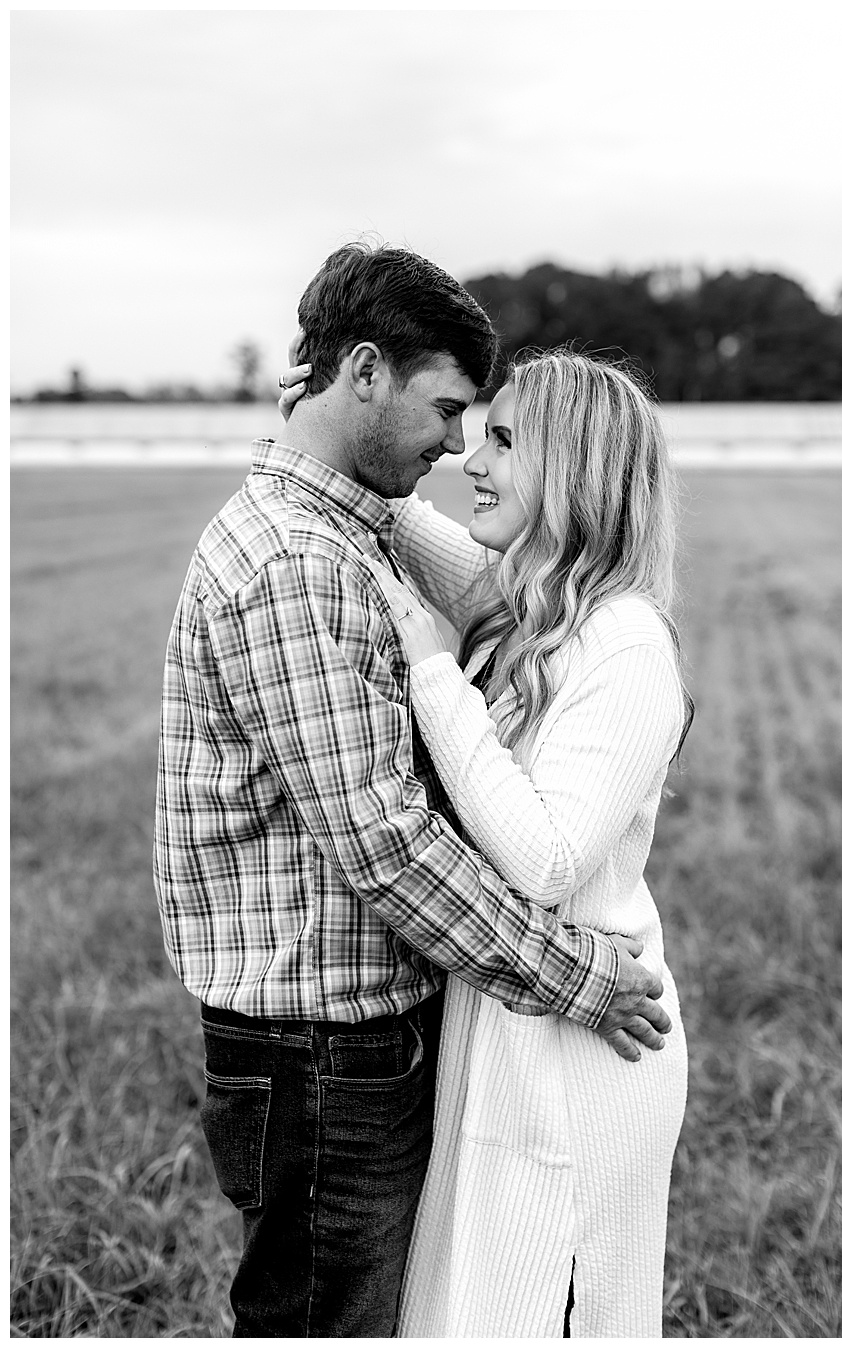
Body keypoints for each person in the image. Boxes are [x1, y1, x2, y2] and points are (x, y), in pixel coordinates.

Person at [153, 242, 671, 1337]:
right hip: (320, 1051)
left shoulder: (372, 540)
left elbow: (464, 562)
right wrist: (577, 976)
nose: (457, 449)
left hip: (393, 1042)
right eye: (450, 413)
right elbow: (385, 841)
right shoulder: (300, 560)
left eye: (492, 435)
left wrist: (305, 440)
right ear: (368, 371)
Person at [276, 345, 690, 1335]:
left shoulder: (625, 643)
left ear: (573, 467)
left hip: (585, 1054)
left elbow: (547, 858)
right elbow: (398, 516)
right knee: (475, 1299)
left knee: (552, 1304)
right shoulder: (534, 605)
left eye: (503, 439)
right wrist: (320, 426)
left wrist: (435, 678)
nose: (472, 458)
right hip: (514, 1019)